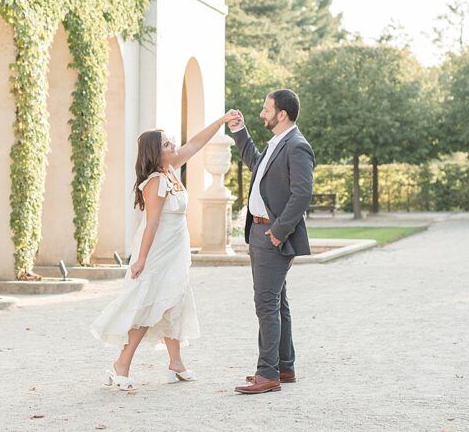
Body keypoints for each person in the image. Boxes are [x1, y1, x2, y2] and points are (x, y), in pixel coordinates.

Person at [91, 110, 241, 390]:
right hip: (157, 253)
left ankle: (176, 364)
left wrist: (221, 122)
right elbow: (151, 224)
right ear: (155, 153)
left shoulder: (170, 170)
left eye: (172, 143)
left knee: (175, 301)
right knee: (149, 306)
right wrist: (142, 260)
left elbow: (196, 143)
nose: (173, 146)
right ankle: (120, 365)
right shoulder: (156, 182)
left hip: (175, 251)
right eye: (167, 145)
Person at [229, 89, 315, 394]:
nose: (262, 114)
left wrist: (279, 231)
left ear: (282, 114)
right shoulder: (277, 143)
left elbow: (302, 193)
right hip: (260, 232)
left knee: (265, 304)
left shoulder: (296, 146)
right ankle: (284, 366)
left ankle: (267, 373)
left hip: (271, 236)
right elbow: (255, 163)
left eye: (267, 110)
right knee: (277, 302)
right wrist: (240, 131)